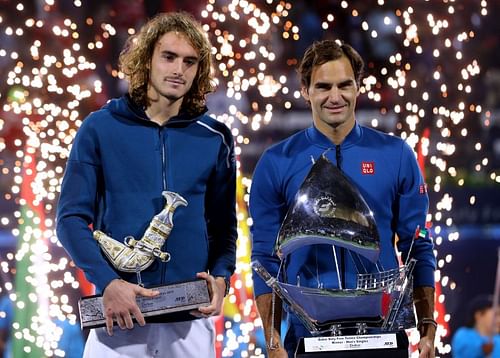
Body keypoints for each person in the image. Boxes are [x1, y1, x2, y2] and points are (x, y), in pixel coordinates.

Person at [56, 12, 237, 358]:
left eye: (189, 62)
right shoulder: (99, 128)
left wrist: (221, 278)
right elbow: (70, 221)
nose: (178, 70)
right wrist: (108, 282)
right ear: (147, 60)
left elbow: (224, 228)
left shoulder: (216, 137)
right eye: (168, 57)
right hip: (117, 321)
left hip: (190, 325)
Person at [249, 39, 437, 357]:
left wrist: (428, 327)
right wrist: (272, 341)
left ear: (358, 86)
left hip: (384, 335)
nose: (335, 97)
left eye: (344, 85)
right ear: (306, 90)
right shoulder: (276, 162)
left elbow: (417, 245)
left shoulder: (397, 155)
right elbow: (266, 259)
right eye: (323, 86)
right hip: (309, 338)